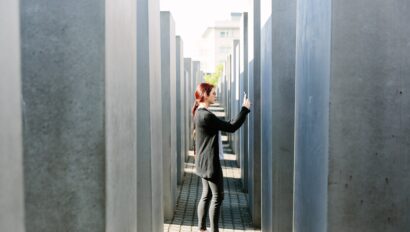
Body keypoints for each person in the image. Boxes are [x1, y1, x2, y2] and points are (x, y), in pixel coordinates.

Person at [192, 83, 251, 232]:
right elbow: (231, 127)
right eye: (213, 93)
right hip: (211, 164)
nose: (215, 95)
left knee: (206, 195)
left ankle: (201, 228)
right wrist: (245, 109)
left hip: (201, 162)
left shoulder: (198, 113)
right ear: (205, 95)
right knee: (218, 198)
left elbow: (225, 124)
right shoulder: (207, 116)